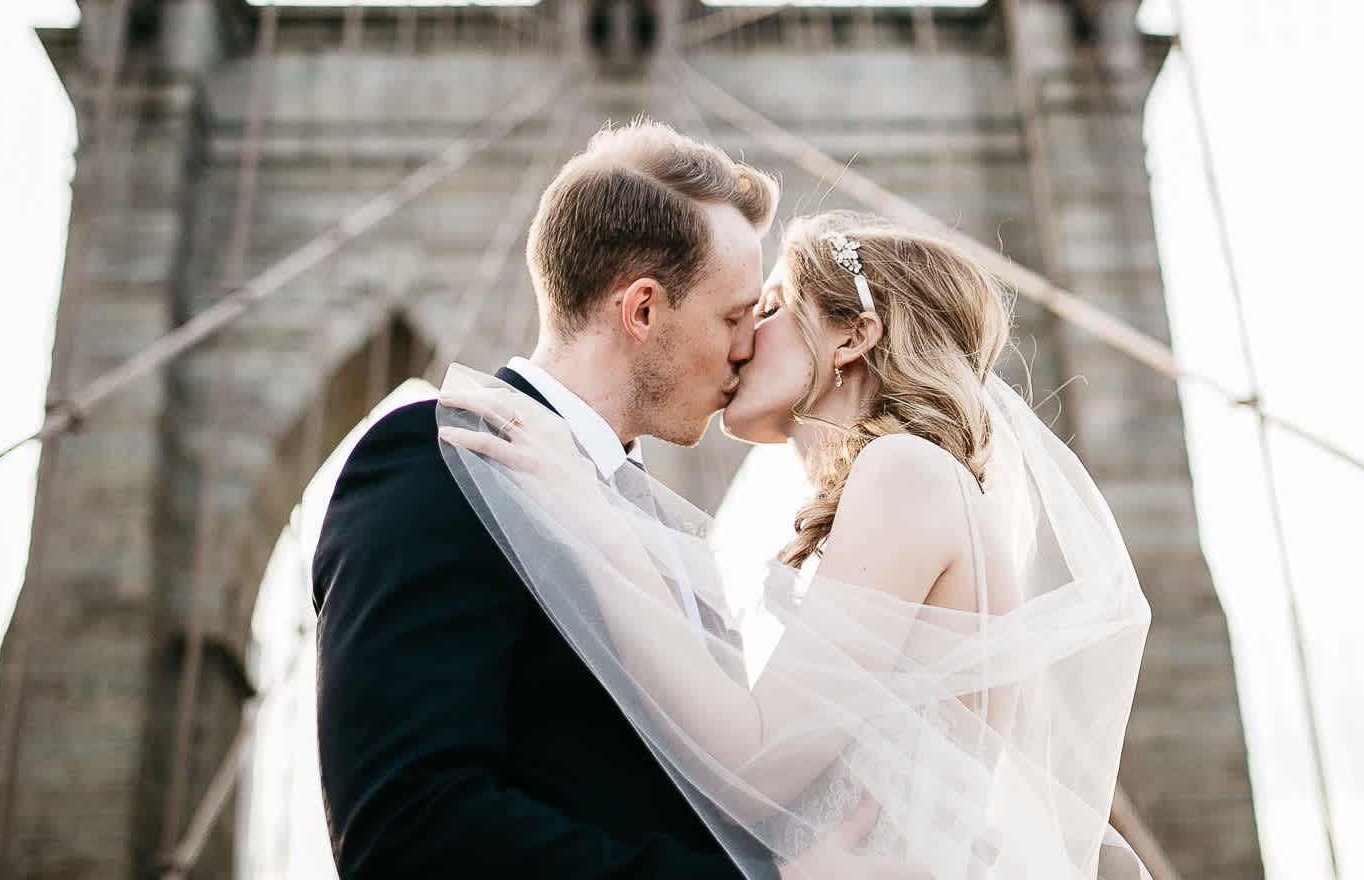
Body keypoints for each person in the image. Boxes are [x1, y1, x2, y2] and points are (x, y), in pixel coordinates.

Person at [439, 212, 1154, 878]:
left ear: (853, 336)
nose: (743, 335)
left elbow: (754, 767)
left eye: (774, 307)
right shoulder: (918, 489)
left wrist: (593, 517)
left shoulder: (904, 473)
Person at [313, 123, 915, 878]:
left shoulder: (651, 522)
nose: (747, 346)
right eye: (734, 317)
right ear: (642, 311)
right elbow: (410, 830)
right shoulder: (442, 459)